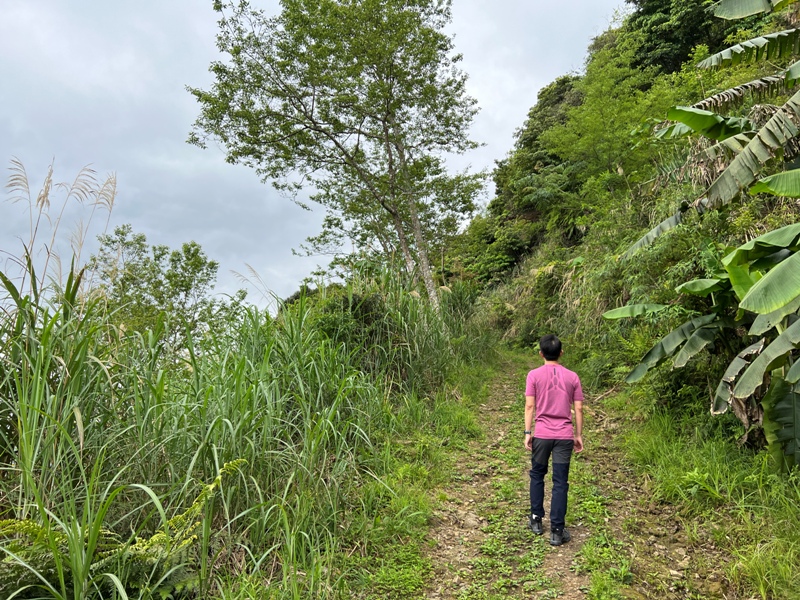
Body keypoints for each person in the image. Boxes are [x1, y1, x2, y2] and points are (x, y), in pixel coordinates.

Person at [524, 334, 584, 546]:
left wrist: (527, 432)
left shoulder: (533, 375)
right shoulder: (573, 377)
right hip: (564, 436)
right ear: (561, 353)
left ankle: (536, 520)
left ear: (541, 353)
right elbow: (578, 408)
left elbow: (530, 406)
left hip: (541, 434)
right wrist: (578, 435)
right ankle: (557, 531)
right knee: (560, 482)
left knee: (537, 474)